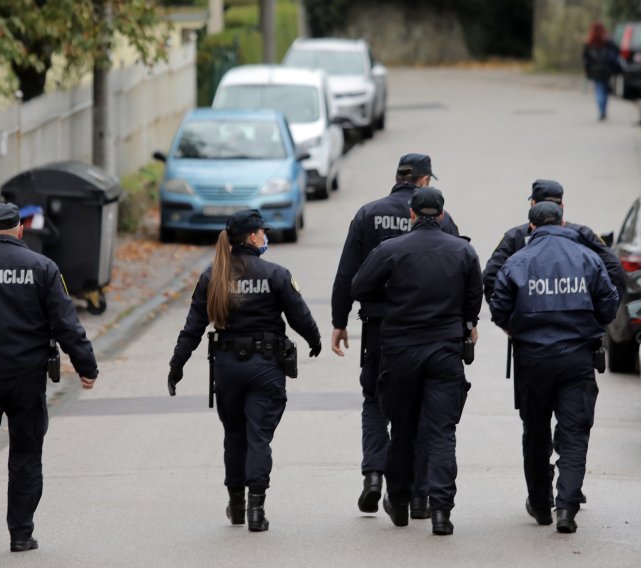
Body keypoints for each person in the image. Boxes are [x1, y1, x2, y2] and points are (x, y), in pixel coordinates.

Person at [0, 202, 98, 559]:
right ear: (21, 229)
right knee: (26, 454)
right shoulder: (43, 268)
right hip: (27, 377)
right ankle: (21, 535)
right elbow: (66, 323)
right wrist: (86, 365)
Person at [167, 209, 321, 532]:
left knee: (235, 436)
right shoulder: (276, 274)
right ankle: (256, 509)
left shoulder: (214, 275)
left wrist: (177, 364)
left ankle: (236, 505)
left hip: (227, 368)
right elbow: (299, 316)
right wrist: (314, 339)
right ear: (252, 237)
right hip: (265, 366)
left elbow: (193, 326)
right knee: (259, 436)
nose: (265, 236)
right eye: (262, 232)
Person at [331, 153, 459, 519]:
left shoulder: (368, 214)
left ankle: (374, 474)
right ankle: (417, 495)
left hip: (379, 327)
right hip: (426, 331)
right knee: (417, 411)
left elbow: (346, 275)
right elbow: (458, 266)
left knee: (374, 400)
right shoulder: (442, 218)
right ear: (422, 182)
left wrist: (340, 321)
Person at [351, 187, 482, 536]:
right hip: (443, 350)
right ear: (441, 215)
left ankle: (399, 500)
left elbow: (359, 286)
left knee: (403, 427)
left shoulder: (391, 250)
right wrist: (465, 324)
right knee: (440, 432)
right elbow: (474, 300)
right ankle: (440, 510)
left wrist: (393, 295)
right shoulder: (463, 251)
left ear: (411, 214)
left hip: (400, 351)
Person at [489, 201, 619, 533]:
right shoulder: (586, 257)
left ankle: (540, 503)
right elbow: (608, 303)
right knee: (575, 433)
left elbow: (499, 307)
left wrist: (517, 328)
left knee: (535, 432)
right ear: (563, 222)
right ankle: (566, 508)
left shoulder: (519, 261)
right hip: (577, 359)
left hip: (532, 361)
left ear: (530, 228)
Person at [482, 179, 624, 305]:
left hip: (527, 329)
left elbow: (491, 276)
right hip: (578, 328)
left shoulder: (514, 237)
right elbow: (614, 268)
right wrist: (601, 316)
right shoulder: (584, 235)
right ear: (562, 206)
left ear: (533, 204)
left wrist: (507, 318)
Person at [583, 21, 620, 121]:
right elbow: (616, 52)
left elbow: (586, 58)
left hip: (595, 70)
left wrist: (587, 71)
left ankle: (601, 111)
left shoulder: (589, 41)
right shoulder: (608, 40)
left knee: (599, 89)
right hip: (606, 69)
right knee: (605, 89)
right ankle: (603, 110)